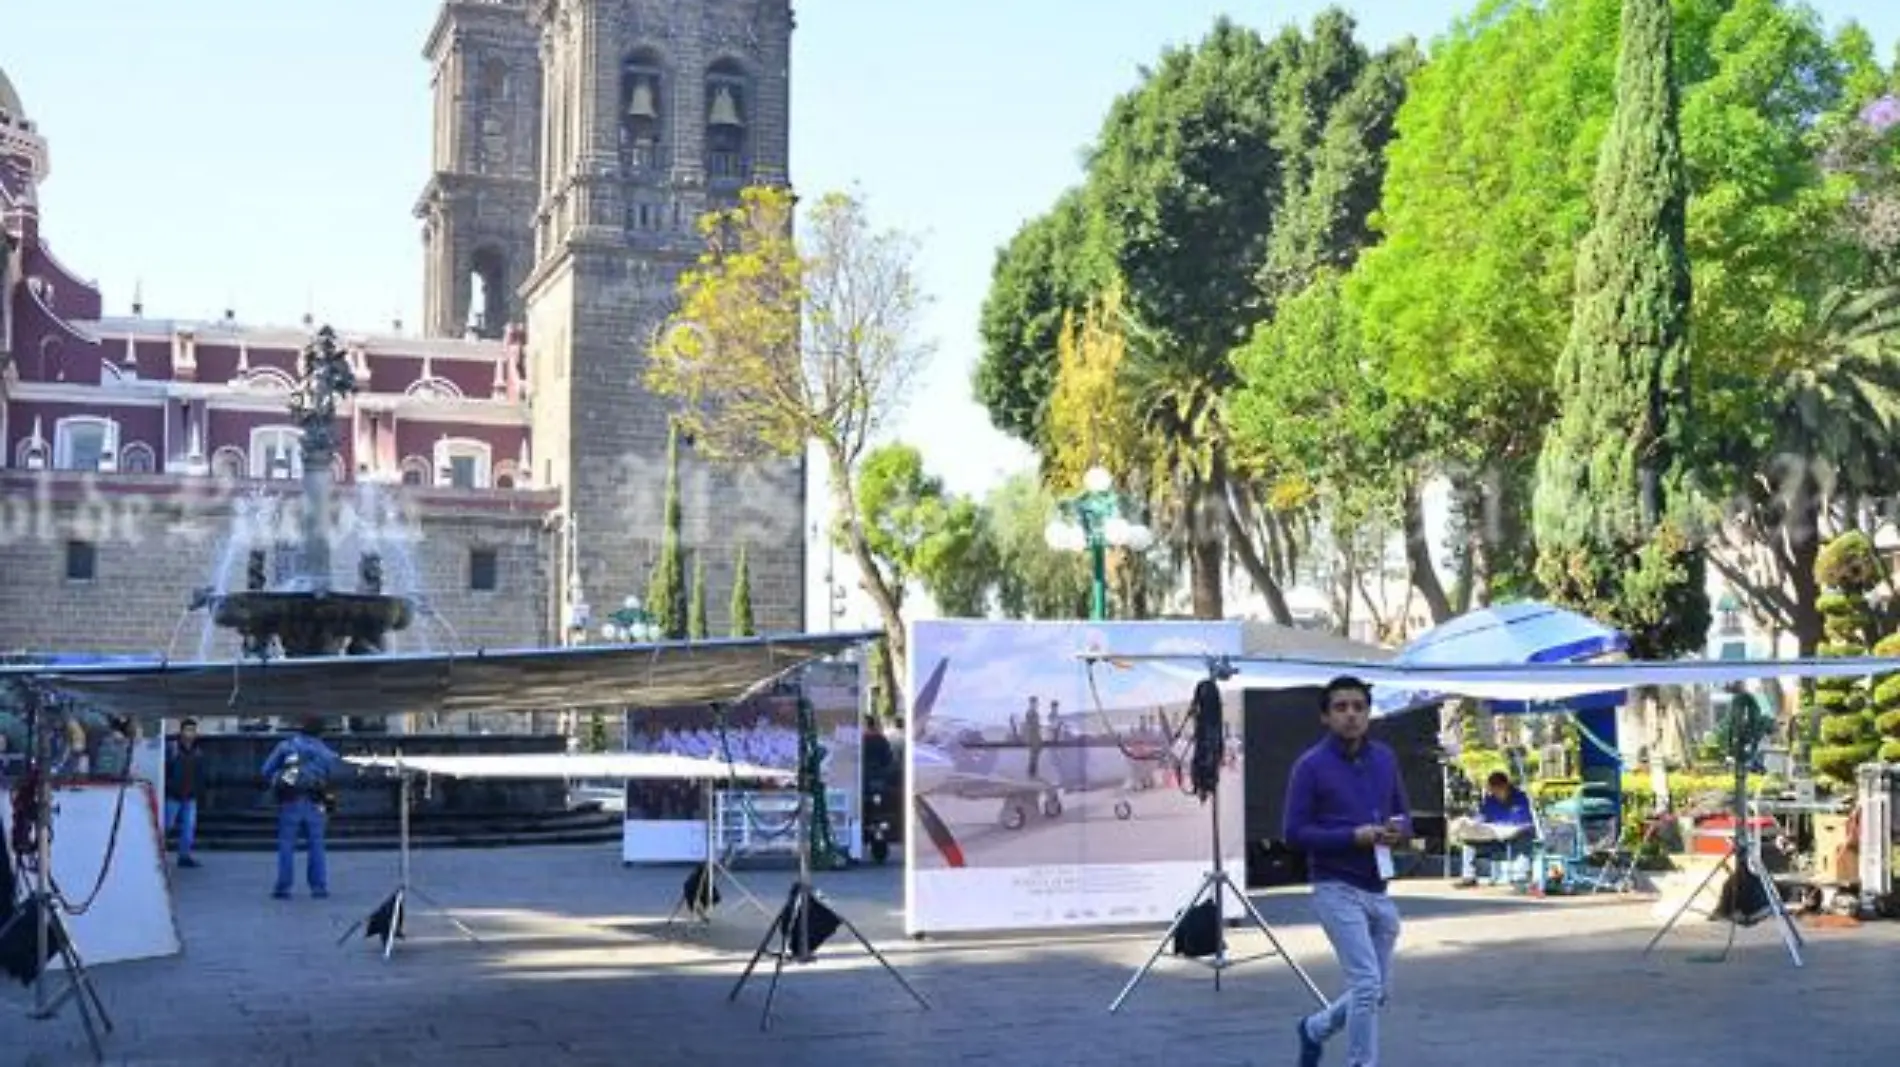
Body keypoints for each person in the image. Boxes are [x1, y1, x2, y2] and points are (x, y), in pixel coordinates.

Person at [1285, 676, 1410, 1067]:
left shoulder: (1385, 758)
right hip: (1335, 886)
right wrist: (1350, 837)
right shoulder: (1310, 766)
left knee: (1377, 992)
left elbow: (1402, 813)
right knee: (1367, 984)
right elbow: (1293, 833)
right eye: (1341, 708)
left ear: (1369, 714)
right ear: (1325, 716)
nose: (1351, 715)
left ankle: (1315, 1028)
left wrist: (1397, 831)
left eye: (1359, 706)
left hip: (1378, 888)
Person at [260, 717, 341, 899]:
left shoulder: (286, 746)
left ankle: (283, 887)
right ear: (321, 732)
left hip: (290, 800)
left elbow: (265, 770)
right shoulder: (327, 753)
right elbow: (334, 777)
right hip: (315, 801)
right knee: (317, 846)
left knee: (286, 845)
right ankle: (318, 887)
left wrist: (280, 779)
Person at [1453, 771, 1535, 887]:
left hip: (1516, 838)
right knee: (1468, 843)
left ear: (1506, 786)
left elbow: (1526, 821)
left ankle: (1520, 877)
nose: (1495, 792)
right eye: (1493, 789)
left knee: (1525, 837)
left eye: (1498, 788)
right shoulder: (1490, 800)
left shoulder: (1521, 798)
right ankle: (1469, 876)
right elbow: (1482, 817)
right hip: (1494, 838)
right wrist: (1472, 823)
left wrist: (1511, 828)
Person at [165, 718, 205, 868]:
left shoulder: (197, 751)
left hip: (190, 795)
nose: (190, 733)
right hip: (173, 795)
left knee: (189, 828)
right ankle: (158, 852)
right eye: (187, 730)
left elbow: (200, 773)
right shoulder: (173, 749)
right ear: (181, 731)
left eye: (192, 730)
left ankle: (184, 856)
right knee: (167, 825)